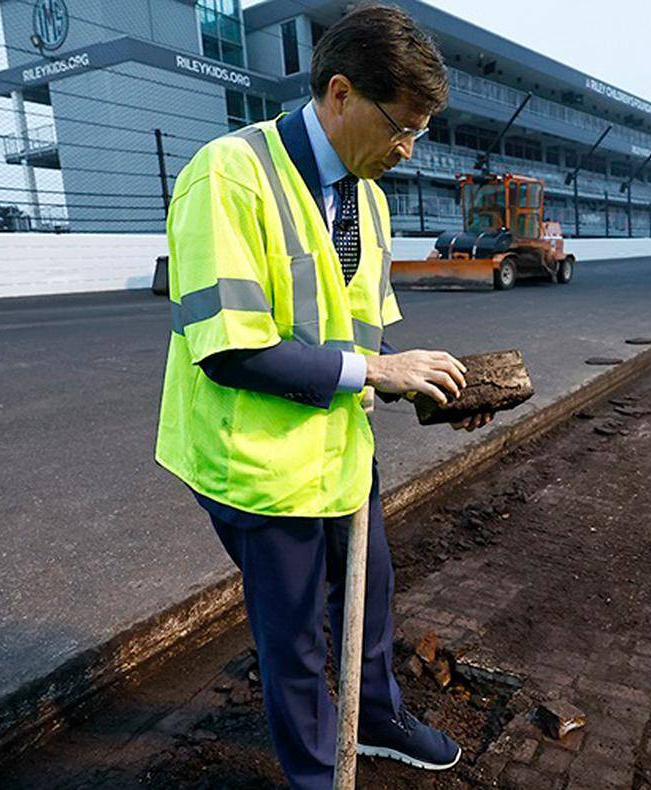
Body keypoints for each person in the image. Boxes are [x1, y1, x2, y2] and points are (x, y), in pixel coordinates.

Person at [154, 5, 492, 786]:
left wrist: (435, 395)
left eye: (421, 131)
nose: (408, 150)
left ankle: (375, 719)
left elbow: (362, 339)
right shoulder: (226, 175)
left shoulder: (367, 198)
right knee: (296, 636)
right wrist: (377, 373)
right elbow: (230, 351)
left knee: (368, 599)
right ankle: (316, 777)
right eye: (400, 127)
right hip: (258, 464)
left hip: (339, 450)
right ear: (339, 93)